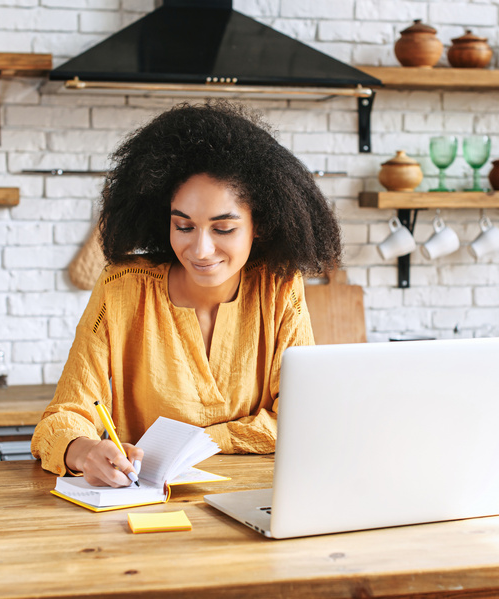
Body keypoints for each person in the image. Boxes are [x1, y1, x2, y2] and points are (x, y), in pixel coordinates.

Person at [31, 101, 342, 487]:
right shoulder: (121, 288)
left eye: (223, 229)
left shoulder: (278, 288)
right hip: (147, 509)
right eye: (184, 226)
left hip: (256, 500)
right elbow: (65, 414)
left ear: (258, 225)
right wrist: (81, 450)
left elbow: (301, 416)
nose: (201, 250)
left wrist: (201, 441)